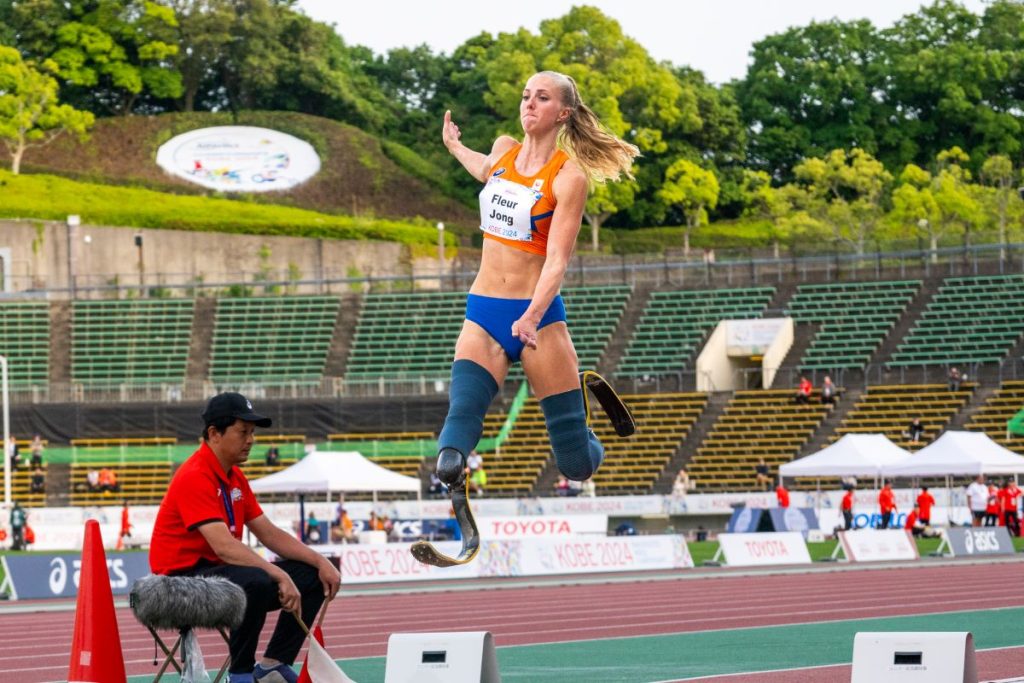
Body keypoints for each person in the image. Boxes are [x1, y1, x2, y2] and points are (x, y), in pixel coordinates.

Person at [431, 70, 639, 515]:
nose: (529, 103)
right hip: (483, 311)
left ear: (562, 113)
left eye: (541, 98)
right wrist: (454, 146)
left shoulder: (568, 178)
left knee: (577, 465)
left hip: (537, 318)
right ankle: (452, 464)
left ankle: (585, 428)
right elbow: (484, 170)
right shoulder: (504, 150)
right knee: (456, 432)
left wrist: (530, 316)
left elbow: (558, 261)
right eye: (526, 95)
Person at [149, 392, 340, 683]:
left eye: (252, 433)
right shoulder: (195, 475)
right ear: (214, 434)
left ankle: (272, 664)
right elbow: (225, 547)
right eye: (243, 432)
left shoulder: (235, 478)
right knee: (256, 581)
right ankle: (239, 674)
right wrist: (278, 574)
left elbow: (269, 533)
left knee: (311, 575)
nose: (251, 440)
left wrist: (320, 560)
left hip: (216, 572)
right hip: (178, 582)